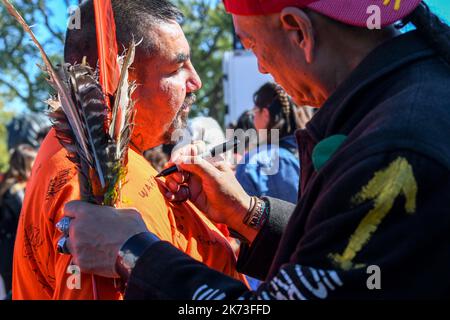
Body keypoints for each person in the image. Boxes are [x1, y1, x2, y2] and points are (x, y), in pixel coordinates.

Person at [63, 0, 450, 299]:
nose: (262, 68)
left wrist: (134, 253)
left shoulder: (398, 151)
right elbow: (339, 265)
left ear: (298, 30)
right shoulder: (406, 104)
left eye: (253, 46)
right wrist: (249, 213)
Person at [12, 0, 247, 300]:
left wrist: (243, 215)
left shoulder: (83, 154)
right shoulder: (103, 190)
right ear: (123, 80)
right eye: (177, 67)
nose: (196, 82)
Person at [236, 82, 303, 203]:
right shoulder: (310, 151)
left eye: (255, 111)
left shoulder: (253, 162)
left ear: (265, 114)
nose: (253, 118)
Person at [0, 144, 37, 299]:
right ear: (25, 165)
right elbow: (24, 223)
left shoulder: (11, 187)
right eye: (33, 164)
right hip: (10, 251)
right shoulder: (14, 192)